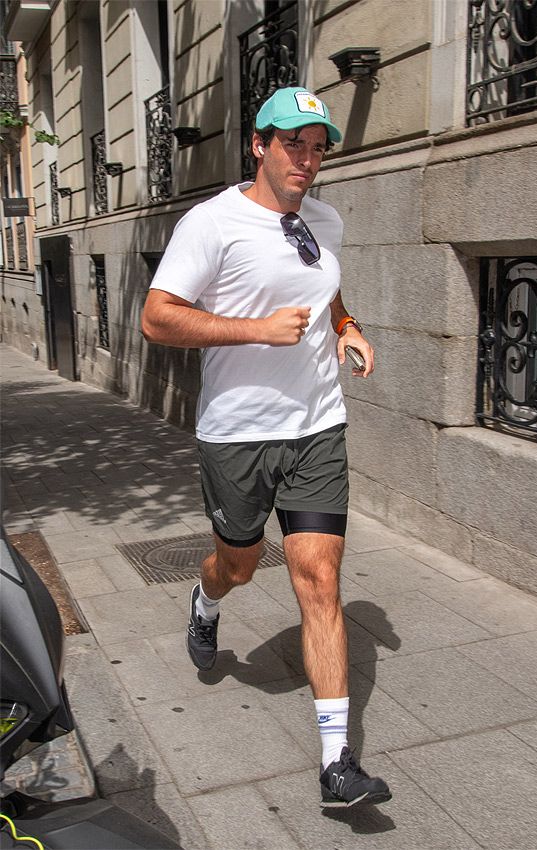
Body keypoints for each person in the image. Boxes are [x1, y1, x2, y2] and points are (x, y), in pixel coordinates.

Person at [141, 86, 392, 810]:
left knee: (318, 578)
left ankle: (337, 761)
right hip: (238, 434)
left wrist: (347, 325)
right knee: (240, 565)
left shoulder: (326, 219)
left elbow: (327, 290)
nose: (307, 159)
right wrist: (254, 329)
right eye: (294, 143)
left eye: (318, 147)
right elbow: (159, 320)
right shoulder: (212, 222)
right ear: (259, 144)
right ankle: (206, 600)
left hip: (317, 426)